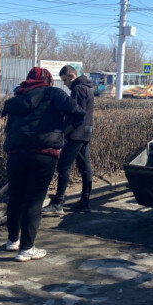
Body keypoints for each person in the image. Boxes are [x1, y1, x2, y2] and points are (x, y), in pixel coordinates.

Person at [1, 67, 85, 261]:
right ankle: (27, 249)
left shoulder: (16, 99)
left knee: (15, 198)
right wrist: (62, 131)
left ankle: (12, 241)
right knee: (34, 200)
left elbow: (9, 128)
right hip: (43, 153)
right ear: (48, 80)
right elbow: (78, 112)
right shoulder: (54, 93)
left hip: (16, 154)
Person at [42, 65, 95, 216]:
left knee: (63, 166)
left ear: (72, 76)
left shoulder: (78, 89)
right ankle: (84, 202)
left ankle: (58, 203)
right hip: (85, 132)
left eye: (65, 80)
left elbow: (77, 115)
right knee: (85, 167)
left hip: (76, 134)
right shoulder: (87, 88)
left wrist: (65, 132)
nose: (64, 83)